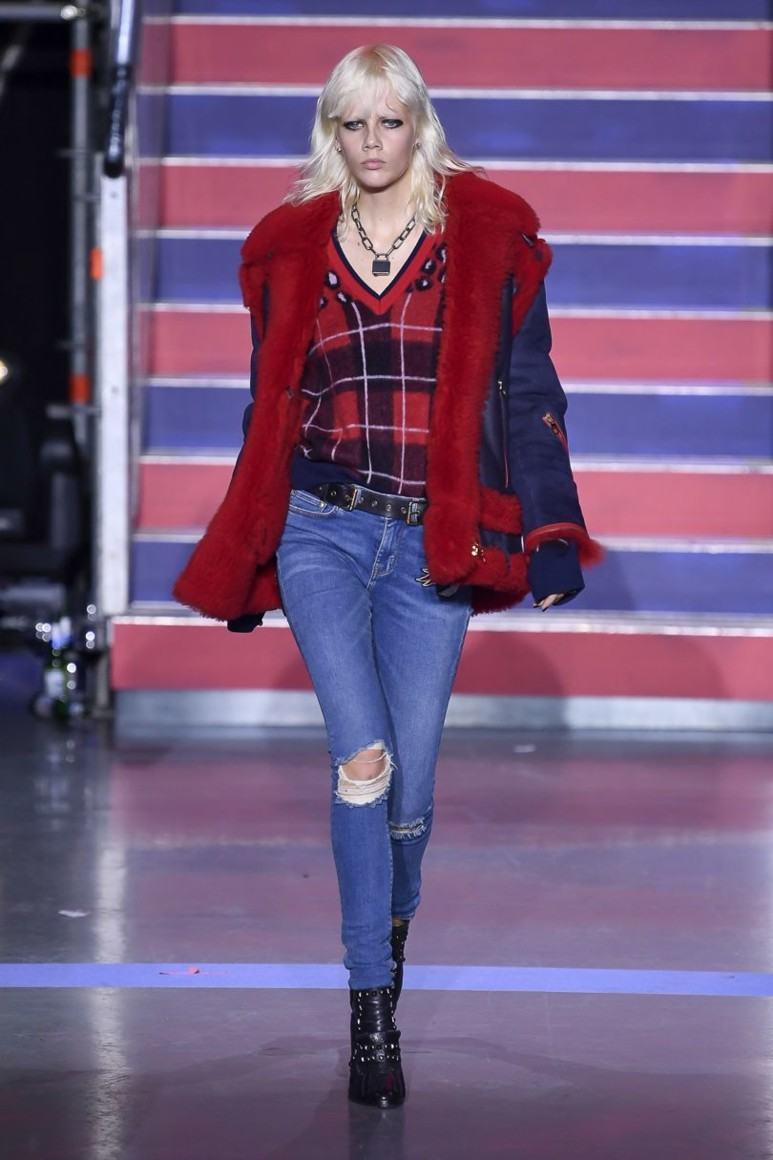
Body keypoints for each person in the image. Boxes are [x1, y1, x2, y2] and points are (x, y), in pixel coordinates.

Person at [173, 43, 601, 1109]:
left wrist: (552, 530)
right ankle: (371, 1005)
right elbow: (268, 410)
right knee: (360, 758)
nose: (371, 142)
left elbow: (528, 396)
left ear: (419, 123)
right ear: (333, 130)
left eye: (388, 121)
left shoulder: (487, 240)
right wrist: (249, 548)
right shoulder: (290, 247)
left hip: (429, 545)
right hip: (319, 528)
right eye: (352, 124)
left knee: (409, 790)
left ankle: (390, 922)